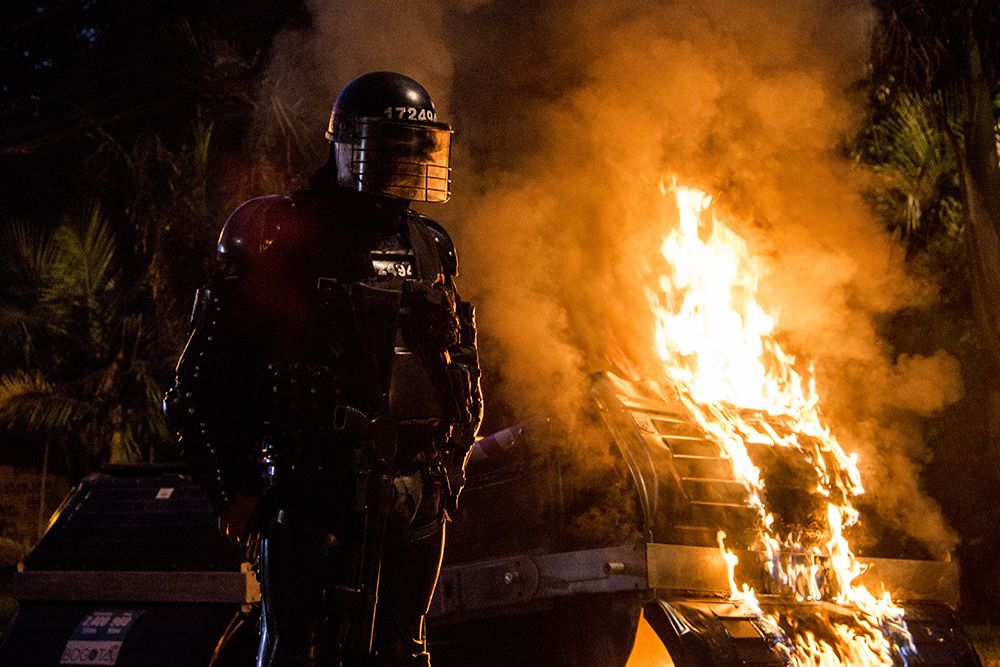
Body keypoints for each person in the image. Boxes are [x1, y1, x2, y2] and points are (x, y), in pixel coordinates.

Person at [164, 71, 482, 666]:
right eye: (385, 146)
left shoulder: (430, 245)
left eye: (414, 148)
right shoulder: (282, 234)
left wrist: (449, 472)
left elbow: (459, 366)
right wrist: (233, 488)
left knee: (404, 653)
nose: (403, 161)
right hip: (313, 489)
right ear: (346, 146)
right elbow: (199, 386)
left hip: (416, 494)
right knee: (295, 652)